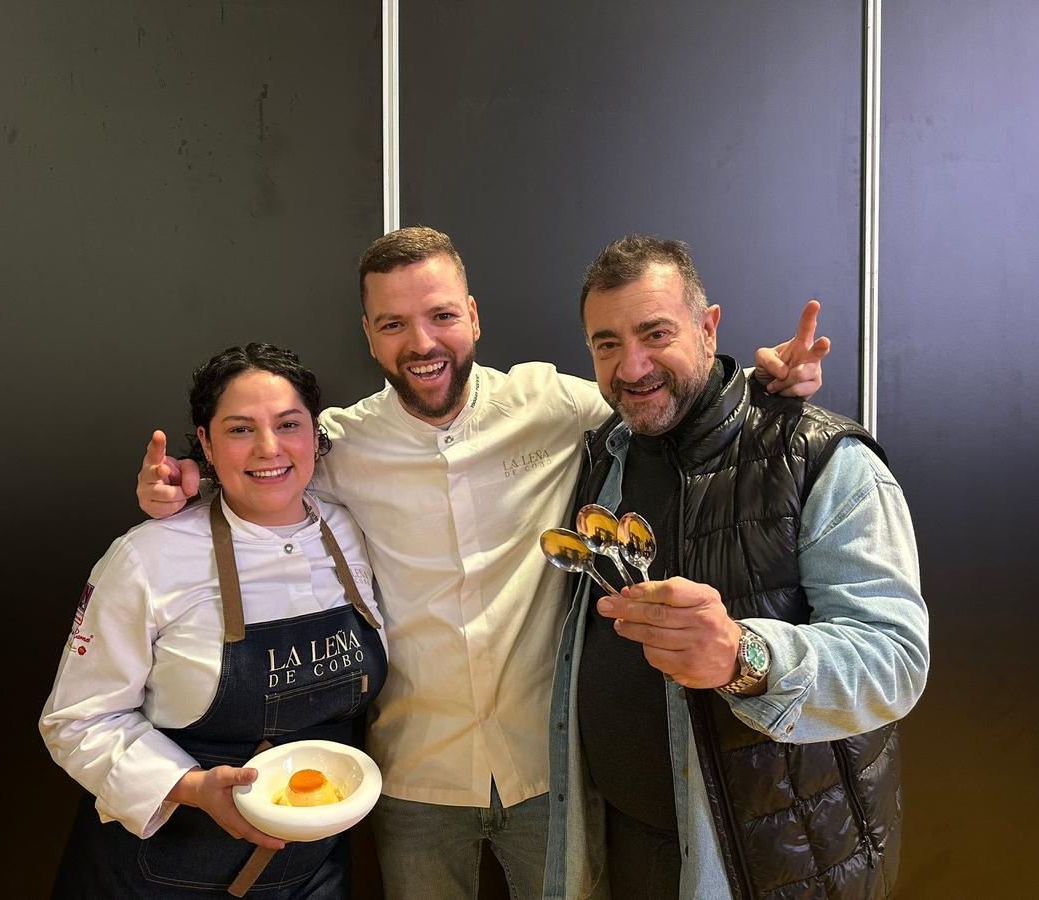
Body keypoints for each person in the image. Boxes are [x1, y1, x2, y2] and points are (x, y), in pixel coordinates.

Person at [136, 227, 826, 899]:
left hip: (552, 772)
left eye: (440, 316)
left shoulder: (554, 404)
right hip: (413, 777)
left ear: (472, 316)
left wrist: (763, 389)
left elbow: (660, 398)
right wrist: (191, 478)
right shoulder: (338, 444)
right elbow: (264, 461)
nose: (422, 343)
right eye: (394, 324)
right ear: (369, 334)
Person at [544, 236, 929, 900]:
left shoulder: (820, 458)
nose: (631, 366)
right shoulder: (607, 454)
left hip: (770, 866)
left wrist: (741, 656)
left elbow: (894, 661)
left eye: (655, 332)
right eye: (606, 344)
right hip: (623, 849)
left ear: (708, 326)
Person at [42, 344, 387, 898]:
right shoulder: (148, 557)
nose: (270, 448)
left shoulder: (348, 530)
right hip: (166, 872)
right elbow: (76, 721)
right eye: (240, 430)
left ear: (315, 435)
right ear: (204, 442)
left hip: (312, 873)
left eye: (289, 424)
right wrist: (193, 786)